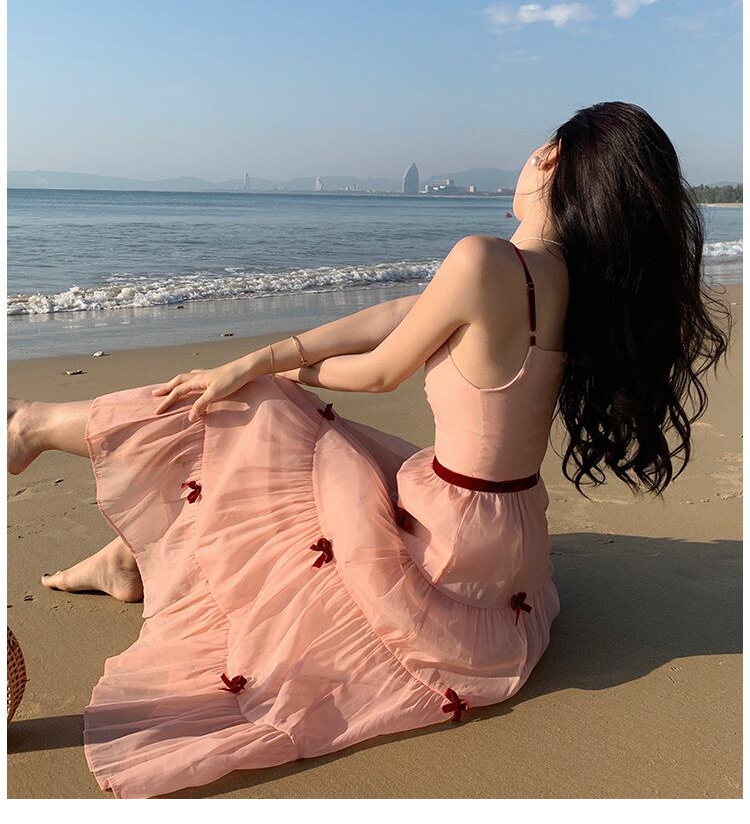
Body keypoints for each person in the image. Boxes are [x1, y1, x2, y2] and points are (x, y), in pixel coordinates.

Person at [7, 101, 730, 799]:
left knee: (250, 411)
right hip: (507, 539)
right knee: (274, 416)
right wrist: (267, 356)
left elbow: (381, 372)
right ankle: (127, 556)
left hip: (444, 541)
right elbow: (401, 314)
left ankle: (30, 427)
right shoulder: (573, 280)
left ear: (550, 158)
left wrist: (268, 373)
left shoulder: (486, 259)